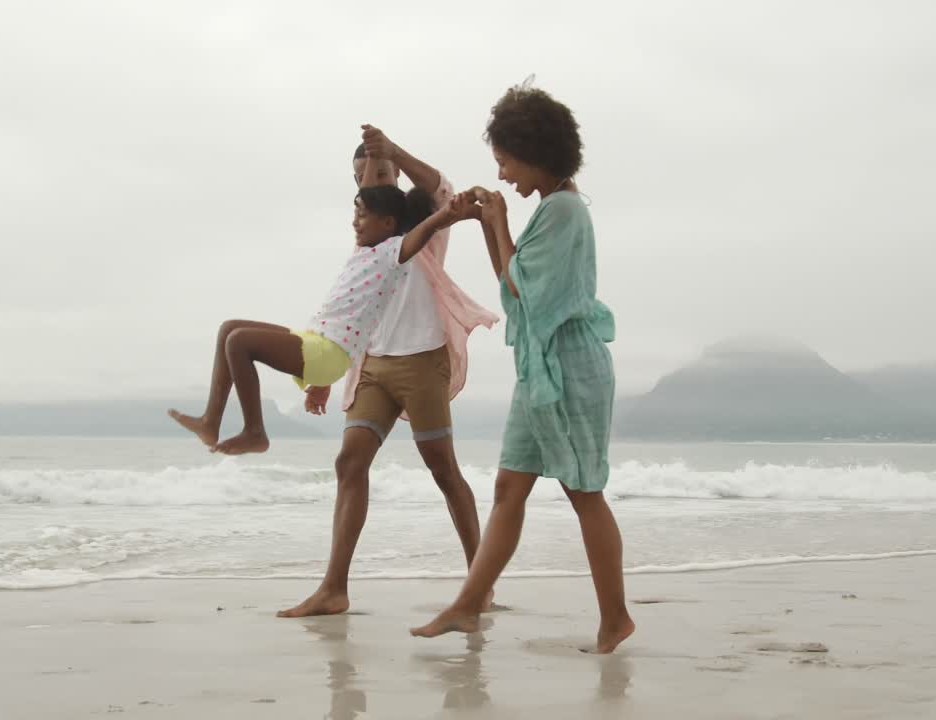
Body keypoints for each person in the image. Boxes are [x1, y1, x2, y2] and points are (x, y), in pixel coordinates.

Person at [411, 85, 636, 654]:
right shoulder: (554, 208)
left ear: (535, 151)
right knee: (510, 486)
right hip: (542, 369)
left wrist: (501, 220)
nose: (504, 174)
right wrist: (489, 223)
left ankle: (616, 620)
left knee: (584, 491)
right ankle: (467, 605)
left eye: (506, 161)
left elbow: (527, 292)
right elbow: (512, 285)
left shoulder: (563, 211)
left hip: (570, 369)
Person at [277, 127, 498, 618]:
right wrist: (324, 374)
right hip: (373, 364)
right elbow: (346, 313)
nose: (365, 183)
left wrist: (391, 151)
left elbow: (443, 190)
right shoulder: (366, 239)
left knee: (443, 471)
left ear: (395, 175)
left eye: (375, 172)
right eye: (357, 178)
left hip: (422, 359)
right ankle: (334, 588)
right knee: (349, 464)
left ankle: (480, 584)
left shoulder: (425, 225)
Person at [167, 182, 458, 455]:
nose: (355, 221)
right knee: (228, 328)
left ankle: (254, 431)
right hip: (316, 339)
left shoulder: (393, 253)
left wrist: (449, 212)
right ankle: (210, 422)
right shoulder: (365, 253)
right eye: (355, 214)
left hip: (328, 352)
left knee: (239, 343)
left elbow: (421, 233)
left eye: (363, 215)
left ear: (388, 223)